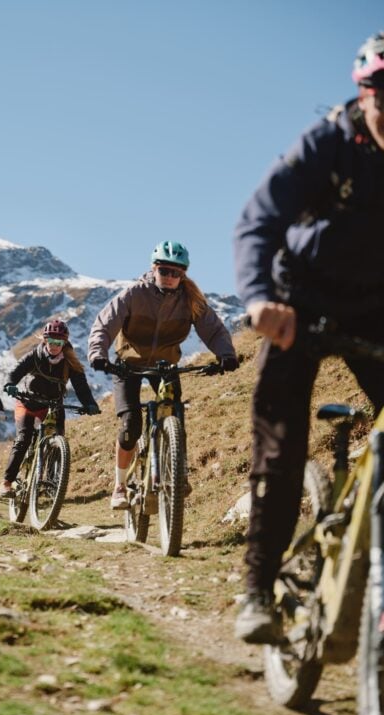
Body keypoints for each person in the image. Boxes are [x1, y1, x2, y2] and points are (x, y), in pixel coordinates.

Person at [234, 32, 384, 644]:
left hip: (376, 308)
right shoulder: (326, 143)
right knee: (282, 445)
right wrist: (258, 299)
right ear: (364, 92)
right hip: (300, 305)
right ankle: (257, 591)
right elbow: (259, 219)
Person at [88, 240, 238, 509]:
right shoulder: (134, 294)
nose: (170, 277)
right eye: (165, 271)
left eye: (176, 273)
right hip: (128, 365)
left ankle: (178, 471)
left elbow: (213, 329)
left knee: (174, 414)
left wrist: (226, 355)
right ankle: (120, 486)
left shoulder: (190, 299)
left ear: (183, 275)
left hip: (165, 365)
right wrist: (98, 354)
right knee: (130, 427)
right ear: (153, 269)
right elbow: (104, 324)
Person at [0, 319, 101, 497]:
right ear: (44, 340)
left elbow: (81, 386)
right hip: (28, 402)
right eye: (51, 342)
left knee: (58, 441)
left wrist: (90, 404)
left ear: (64, 342)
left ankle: (52, 484)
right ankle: (6, 483)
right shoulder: (35, 356)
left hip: (53, 404)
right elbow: (15, 372)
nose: (54, 346)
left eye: (58, 343)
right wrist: (10, 384)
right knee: (23, 439)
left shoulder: (70, 361)